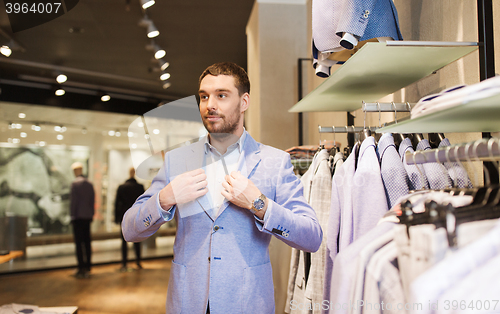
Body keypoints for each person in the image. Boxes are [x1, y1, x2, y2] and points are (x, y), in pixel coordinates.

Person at [122, 62, 322, 313]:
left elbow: (312, 237)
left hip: (247, 303)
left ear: (244, 102)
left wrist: (258, 203)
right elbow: (130, 230)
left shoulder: (274, 162)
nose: (209, 105)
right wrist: (165, 198)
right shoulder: (177, 160)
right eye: (204, 96)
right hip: (187, 302)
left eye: (222, 95)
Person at [114, 167, 145, 271]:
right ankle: (138, 261)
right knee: (137, 240)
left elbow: (117, 204)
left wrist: (117, 218)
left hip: (125, 217)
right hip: (136, 216)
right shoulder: (139, 187)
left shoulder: (122, 187)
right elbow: (144, 204)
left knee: (124, 241)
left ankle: (124, 263)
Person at [70, 162, 95, 279]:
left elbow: (73, 203)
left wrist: (72, 216)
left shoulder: (75, 184)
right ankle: (88, 266)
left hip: (78, 217)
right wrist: (91, 214)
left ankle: (81, 267)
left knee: (79, 244)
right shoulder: (89, 184)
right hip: (87, 216)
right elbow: (92, 201)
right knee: (87, 242)